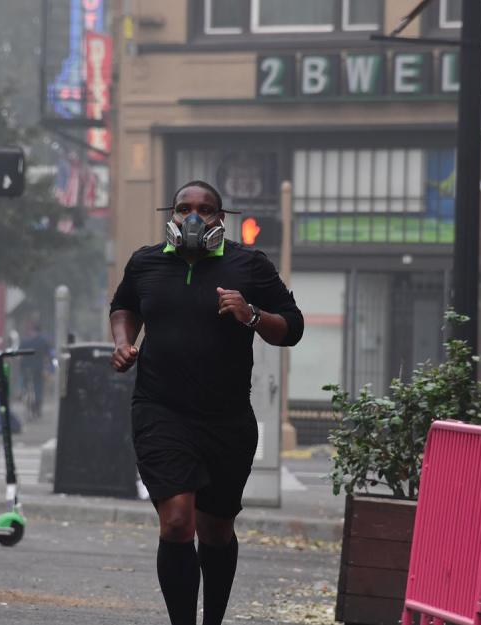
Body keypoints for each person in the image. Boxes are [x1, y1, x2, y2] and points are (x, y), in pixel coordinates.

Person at [109, 180, 303, 625]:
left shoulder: (248, 264)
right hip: (161, 409)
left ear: (221, 217)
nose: (193, 217)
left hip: (227, 419)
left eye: (206, 209)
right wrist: (123, 342)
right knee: (178, 521)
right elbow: (123, 306)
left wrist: (251, 314)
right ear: (171, 215)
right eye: (183, 208)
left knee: (216, 530)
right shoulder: (145, 262)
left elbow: (292, 327)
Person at [19, 323, 52, 420]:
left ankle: (24, 395)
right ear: (40, 331)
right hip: (38, 368)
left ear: (31, 331)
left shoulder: (25, 341)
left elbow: (19, 355)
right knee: (38, 387)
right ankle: (37, 407)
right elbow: (48, 355)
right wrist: (48, 367)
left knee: (25, 385)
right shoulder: (43, 341)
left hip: (26, 368)